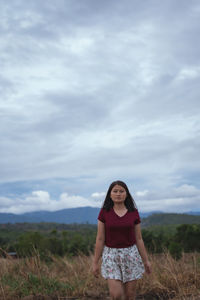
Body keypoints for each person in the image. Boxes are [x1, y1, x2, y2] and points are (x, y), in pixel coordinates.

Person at [92, 180, 152, 300]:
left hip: (131, 255)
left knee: (130, 295)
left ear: (126, 194)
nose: (118, 194)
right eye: (115, 191)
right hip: (111, 256)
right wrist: (95, 262)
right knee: (117, 295)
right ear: (110, 194)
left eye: (121, 191)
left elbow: (139, 239)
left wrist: (146, 261)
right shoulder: (104, 212)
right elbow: (100, 238)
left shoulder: (133, 212)